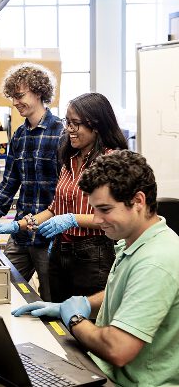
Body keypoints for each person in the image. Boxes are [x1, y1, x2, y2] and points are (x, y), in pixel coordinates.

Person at [12, 150, 179, 387]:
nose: (97, 220)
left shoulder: (156, 261)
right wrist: (78, 305)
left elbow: (118, 349)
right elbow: (127, 292)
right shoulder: (137, 242)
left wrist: (75, 320)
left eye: (105, 210)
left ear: (139, 201)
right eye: (94, 210)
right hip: (109, 371)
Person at [0, 92, 128, 302]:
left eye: (75, 124)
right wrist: (19, 225)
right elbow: (54, 210)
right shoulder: (70, 158)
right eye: (68, 122)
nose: (69, 130)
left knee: (86, 319)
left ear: (96, 125)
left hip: (93, 254)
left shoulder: (111, 161)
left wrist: (73, 219)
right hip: (61, 252)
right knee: (57, 315)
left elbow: (117, 216)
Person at [0, 63, 63, 301]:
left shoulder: (61, 133)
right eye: (13, 96)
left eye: (20, 95)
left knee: (50, 300)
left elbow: (66, 192)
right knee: (2, 290)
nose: (15, 102)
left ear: (39, 92)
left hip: (49, 235)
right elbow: (9, 183)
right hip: (21, 234)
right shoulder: (19, 136)